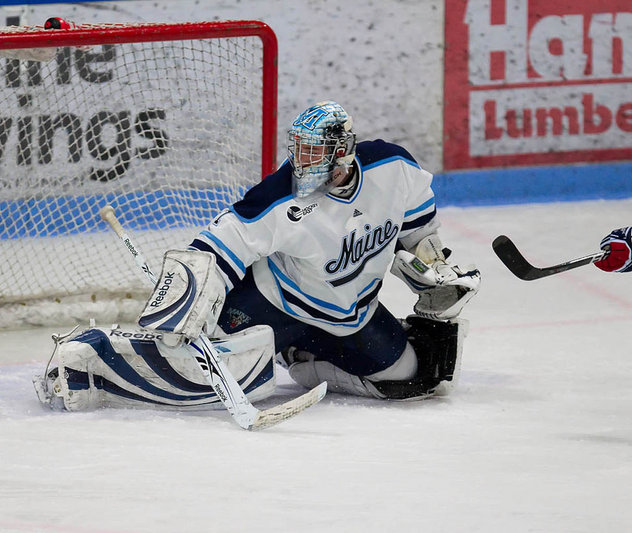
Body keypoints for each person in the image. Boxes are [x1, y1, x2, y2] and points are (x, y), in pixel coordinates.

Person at [34, 101, 481, 411]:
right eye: (299, 151)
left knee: (411, 375)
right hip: (271, 302)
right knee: (208, 372)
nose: (302, 164)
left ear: (343, 152)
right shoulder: (280, 196)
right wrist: (184, 302)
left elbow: (419, 235)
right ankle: (91, 361)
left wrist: (434, 275)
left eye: (315, 153)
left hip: (350, 316)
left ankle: (298, 357)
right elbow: (215, 246)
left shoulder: (395, 169)